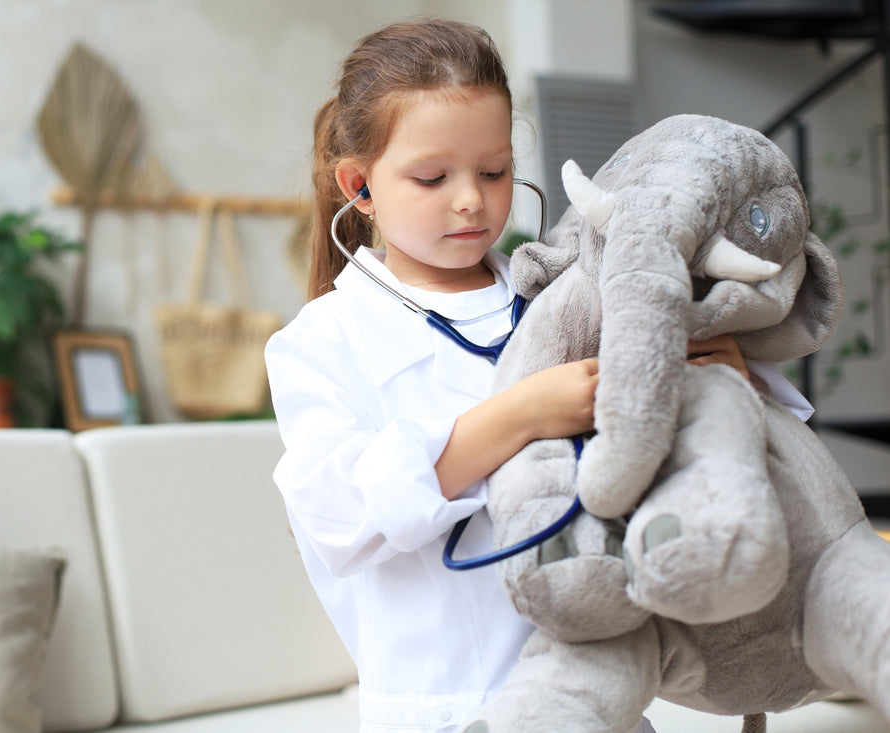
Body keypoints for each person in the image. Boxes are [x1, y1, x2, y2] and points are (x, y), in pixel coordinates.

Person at [264, 18, 809, 733]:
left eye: (494, 172)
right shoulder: (321, 340)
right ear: (359, 184)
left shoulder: (563, 290)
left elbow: (749, 445)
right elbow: (343, 518)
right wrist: (521, 413)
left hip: (603, 695)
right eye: (433, 177)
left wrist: (734, 376)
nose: (471, 199)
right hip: (450, 707)